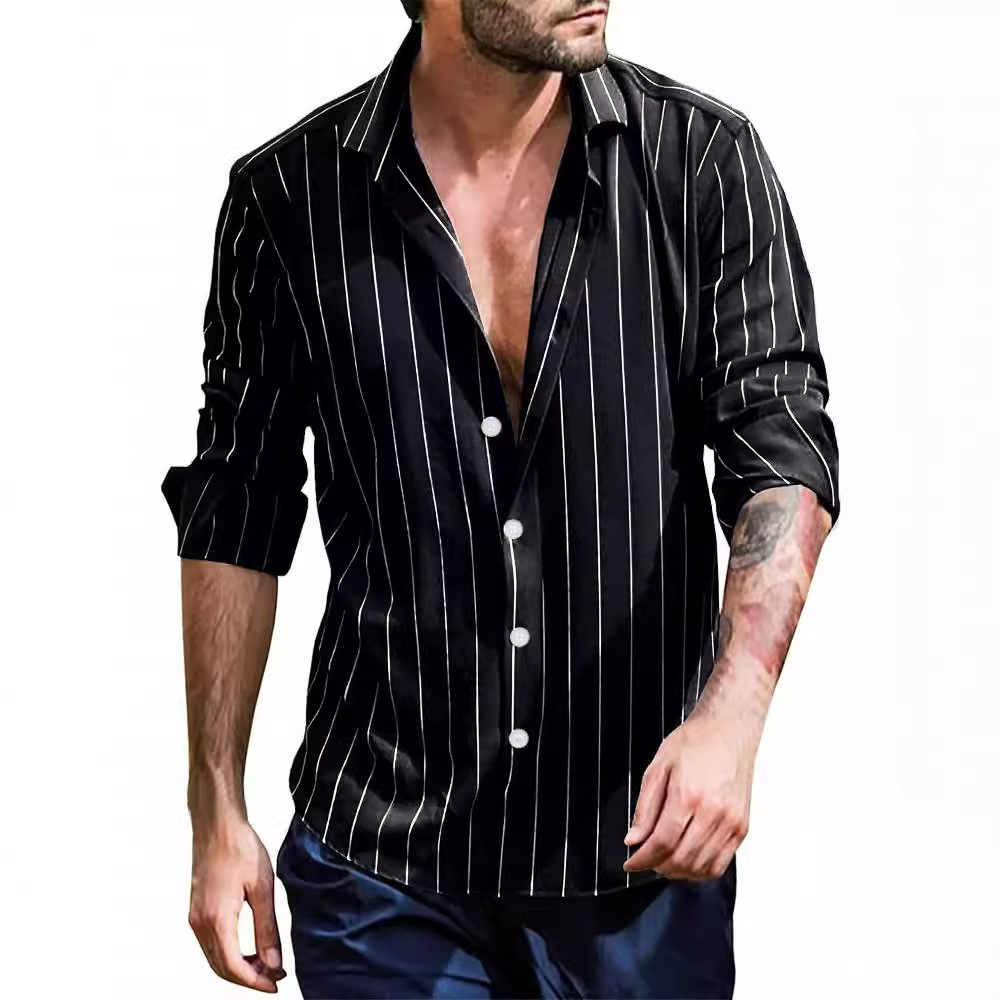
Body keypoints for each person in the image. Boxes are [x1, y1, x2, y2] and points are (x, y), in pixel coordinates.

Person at [161, 0, 841, 996]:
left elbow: (778, 454)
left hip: (636, 854)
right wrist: (215, 807)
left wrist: (730, 722)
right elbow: (239, 507)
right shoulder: (289, 200)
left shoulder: (701, 163)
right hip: (382, 859)